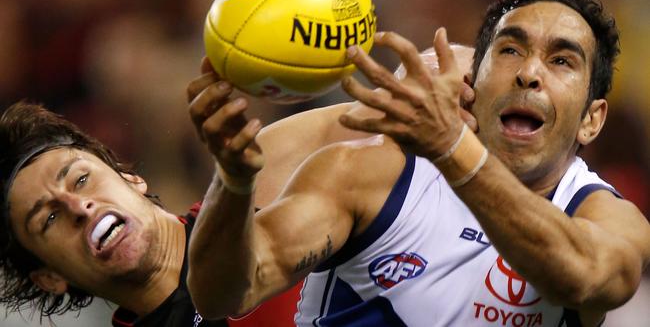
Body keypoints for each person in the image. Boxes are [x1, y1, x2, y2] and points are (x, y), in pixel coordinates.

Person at [186, 0, 650, 327]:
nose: (529, 73)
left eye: (561, 61)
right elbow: (225, 295)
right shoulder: (374, 173)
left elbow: (581, 274)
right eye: (509, 50)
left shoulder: (608, 217)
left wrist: (452, 147)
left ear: (592, 119)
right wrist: (233, 180)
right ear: (476, 80)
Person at [0, 44, 472, 326]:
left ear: (130, 178)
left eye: (81, 178)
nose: (79, 205)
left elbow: (451, 75)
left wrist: (446, 79)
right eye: (50, 217)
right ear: (49, 278)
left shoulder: (277, 164)